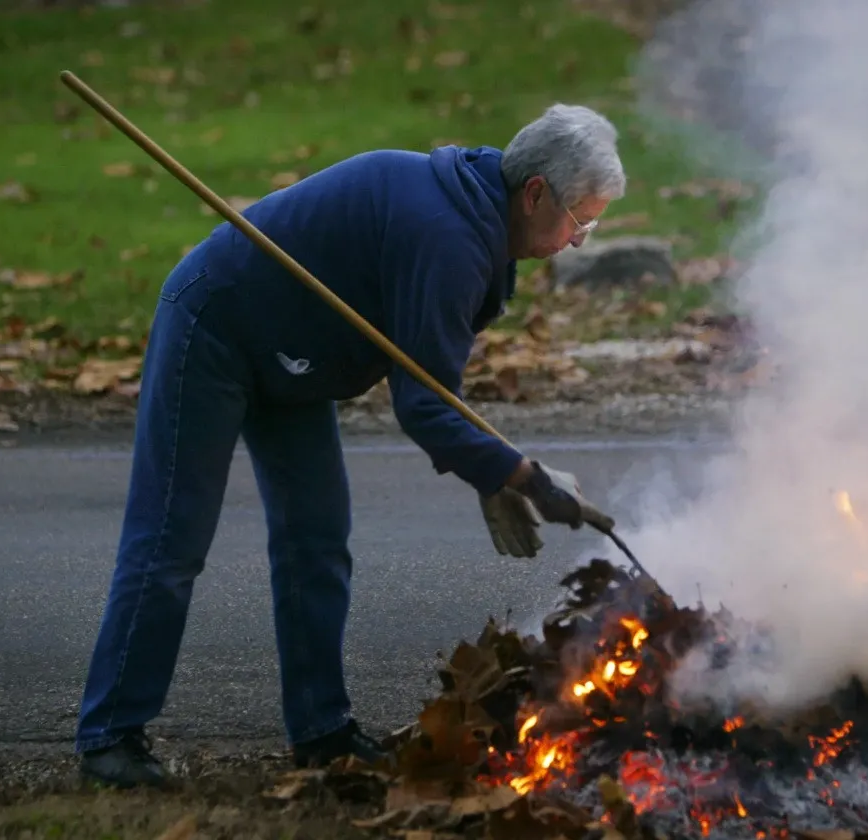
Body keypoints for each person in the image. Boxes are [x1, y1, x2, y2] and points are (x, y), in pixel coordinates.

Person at [74, 103, 626, 788]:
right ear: (535, 191)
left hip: (294, 356)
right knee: (171, 540)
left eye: (592, 223)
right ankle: (110, 737)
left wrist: (496, 474)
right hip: (217, 327)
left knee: (317, 540)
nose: (579, 239)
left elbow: (431, 386)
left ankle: (321, 732)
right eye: (580, 218)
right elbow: (425, 407)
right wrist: (521, 476)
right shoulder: (448, 234)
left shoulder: (476, 220)